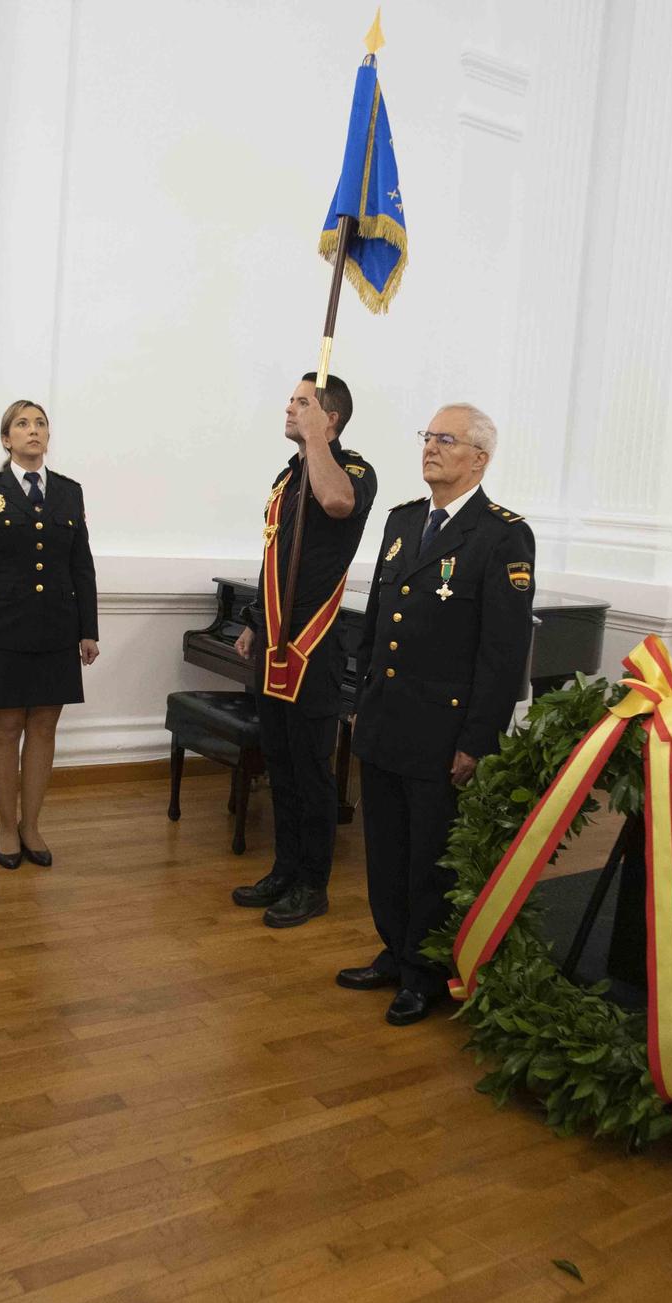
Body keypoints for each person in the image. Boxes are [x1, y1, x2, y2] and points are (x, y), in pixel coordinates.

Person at [342, 404, 534, 1024]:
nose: (430, 448)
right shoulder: (401, 521)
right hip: (385, 718)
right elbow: (376, 624)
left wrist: (476, 740)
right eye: (427, 437)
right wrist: (359, 701)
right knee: (387, 849)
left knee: (429, 857)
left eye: (444, 440)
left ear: (478, 457)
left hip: (441, 729)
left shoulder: (503, 535)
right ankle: (394, 951)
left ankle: (425, 971)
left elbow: (502, 656)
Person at [230, 373, 377, 928]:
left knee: (313, 771)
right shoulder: (286, 476)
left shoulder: (354, 470)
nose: (288, 408)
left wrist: (318, 441)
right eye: (291, 400)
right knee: (282, 765)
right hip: (272, 640)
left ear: (330, 418)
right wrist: (252, 620)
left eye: (302, 403)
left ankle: (313, 884)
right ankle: (284, 869)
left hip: (315, 647)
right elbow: (275, 556)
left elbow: (337, 504)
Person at [0, 398, 100, 867]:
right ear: (6, 439)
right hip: (2, 629)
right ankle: (5, 824)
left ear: (47, 436)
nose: (32, 430)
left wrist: (88, 630)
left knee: (43, 727)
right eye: (22, 424)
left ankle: (32, 825)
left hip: (57, 626)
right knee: (6, 727)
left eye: (40, 423)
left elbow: (82, 565)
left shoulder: (68, 492)